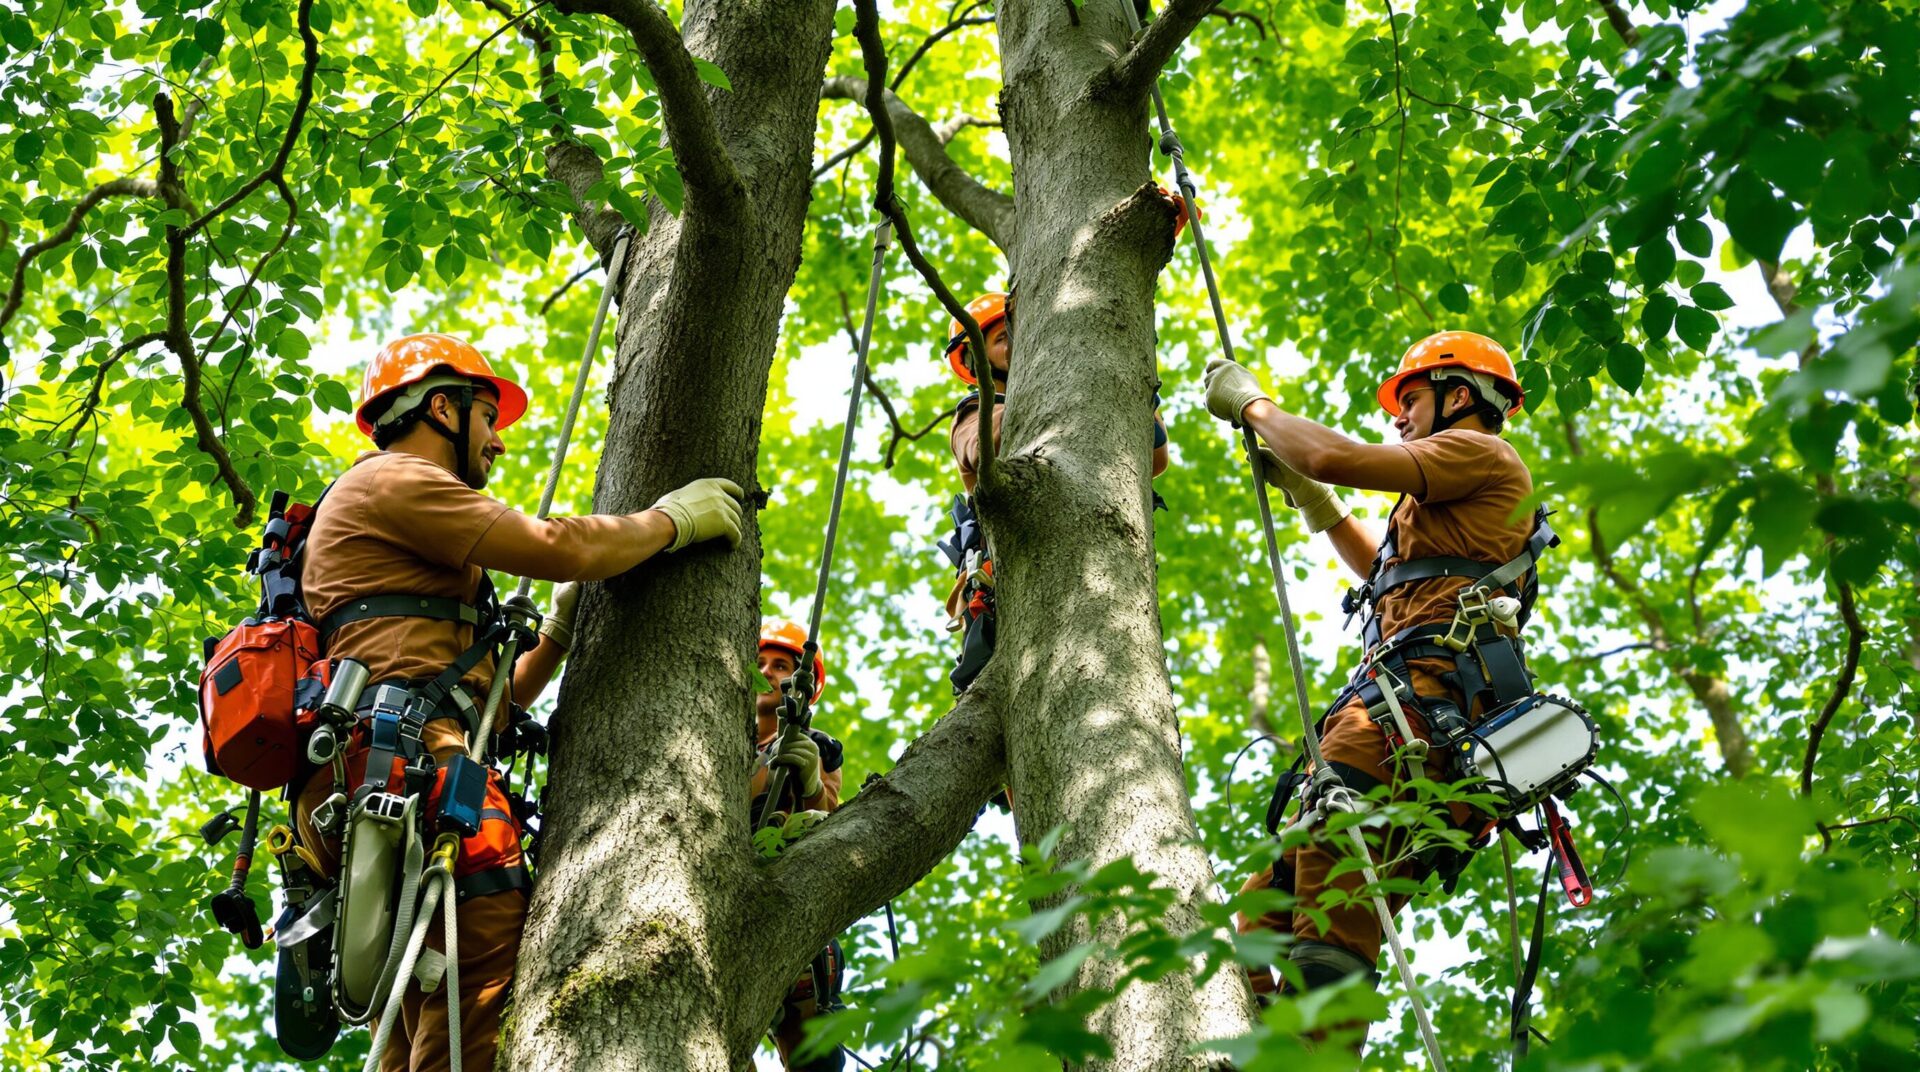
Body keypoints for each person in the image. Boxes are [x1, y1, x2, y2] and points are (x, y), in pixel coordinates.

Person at [293, 332, 746, 1072]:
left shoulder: (389, 539)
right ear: (443, 407)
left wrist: (558, 637)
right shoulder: (393, 480)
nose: (498, 443)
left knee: (420, 1010)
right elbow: (552, 544)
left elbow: (491, 713)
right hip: (412, 772)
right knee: (471, 988)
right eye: (488, 420)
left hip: (385, 767)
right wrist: (671, 522)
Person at [1203, 331, 1539, 1006]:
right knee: (1261, 913)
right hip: (1395, 706)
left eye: (1410, 399)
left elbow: (1333, 455)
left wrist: (1254, 406)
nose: (1398, 416)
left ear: (1462, 397)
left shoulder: (1479, 451)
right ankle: (1261, 1037)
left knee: (1334, 877)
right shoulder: (1443, 499)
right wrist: (1315, 503)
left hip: (1413, 707)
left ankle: (1319, 1049)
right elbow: (1389, 571)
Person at [940, 291, 1173, 691]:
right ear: (976, 359)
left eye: (1017, 332)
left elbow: (1154, 460)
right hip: (1011, 577)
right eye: (1000, 339)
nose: (1013, 343)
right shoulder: (976, 411)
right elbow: (987, 447)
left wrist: (1130, 395)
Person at [751, 620, 847, 1072]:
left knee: (813, 1053)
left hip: (783, 889)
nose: (767, 672)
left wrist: (810, 782)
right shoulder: (713, 745)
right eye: (760, 664)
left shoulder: (815, 746)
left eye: (781, 665)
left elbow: (828, 818)